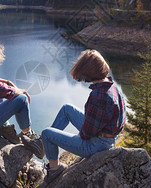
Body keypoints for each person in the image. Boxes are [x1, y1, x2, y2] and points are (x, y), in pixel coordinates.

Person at [41, 49, 126, 184]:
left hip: (96, 145)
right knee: (67, 109)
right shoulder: (111, 86)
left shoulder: (99, 96)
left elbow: (87, 134)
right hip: (106, 137)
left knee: (46, 133)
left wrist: (81, 135)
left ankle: (54, 169)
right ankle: (45, 147)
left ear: (88, 73)